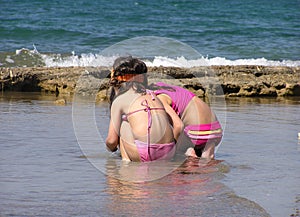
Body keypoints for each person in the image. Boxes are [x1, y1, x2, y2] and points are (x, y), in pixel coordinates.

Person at [105, 57, 179, 162]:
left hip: (146, 153)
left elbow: (112, 141)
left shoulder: (121, 100)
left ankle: (126, 166)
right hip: (169, 151)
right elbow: (178, 125)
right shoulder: (153, 94)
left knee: (123, 123)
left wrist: (110, 148)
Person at [154, 82, 223, 159]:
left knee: (176, 151)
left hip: (196, 132)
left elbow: (178, 125)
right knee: (208, 161)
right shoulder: (173, 90)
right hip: (216, 130)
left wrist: (172, 151)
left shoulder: (159, 98)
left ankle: (190, 153)